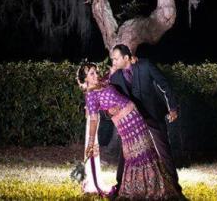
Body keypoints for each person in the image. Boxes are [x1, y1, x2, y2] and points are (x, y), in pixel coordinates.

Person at [78, 62, 183, 200]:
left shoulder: (102, 82)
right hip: (125, 125)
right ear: (85, 79)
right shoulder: (91, 96)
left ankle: (156, 187)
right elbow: (93, 119)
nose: (96, 75)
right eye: (91, 73)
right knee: (135, 156)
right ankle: (137, 189)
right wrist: (91, 141)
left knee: (148, 151)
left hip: (136, 117)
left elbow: (114, 69)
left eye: (96, 71)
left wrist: (126, 60)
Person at [108, 45, 181, 193]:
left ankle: (174, 186)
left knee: (164, 151)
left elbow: (164, 85)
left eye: (116, 58)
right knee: (125, 154)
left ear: (126, 58)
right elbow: (110, 101)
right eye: (112, 59)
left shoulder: (145, 65)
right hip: (131, 124)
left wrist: (172, 108)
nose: (113, 61)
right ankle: (119, 185)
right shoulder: (114, 78)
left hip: (153, 116)